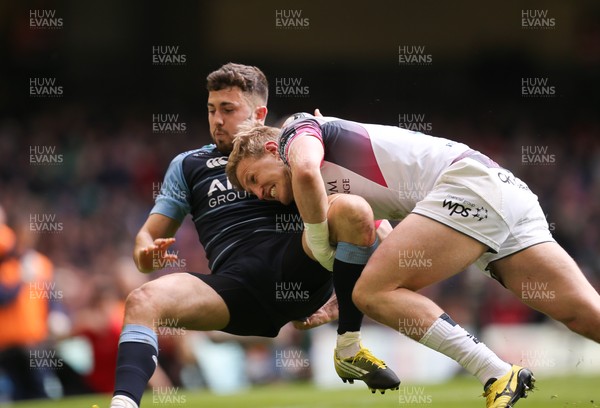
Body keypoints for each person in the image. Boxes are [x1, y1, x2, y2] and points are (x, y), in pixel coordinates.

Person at [226, 113, 600, 408]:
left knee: (374, 293)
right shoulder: (339, 176)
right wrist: (342, 293)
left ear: (274, 150)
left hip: (468, 187)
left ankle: (497, 372)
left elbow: (306, 172)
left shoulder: (295, 131)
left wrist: (324, 253)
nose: (260, 193)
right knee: (584, 315)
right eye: (252, 191)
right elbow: (386, 248)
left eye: (254, 178)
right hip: (500, 192)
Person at [109, 65, 399, 408]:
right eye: (211, 109)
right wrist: (145, 254)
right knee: (142, 301)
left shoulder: (292, 143)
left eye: (228, 110)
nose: (217, 119)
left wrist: (345, 292)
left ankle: (349, 343)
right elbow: (146, 238)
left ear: (259, 113)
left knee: (351, 208)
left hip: (299, 270)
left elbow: (368, 219)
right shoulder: (188, 165)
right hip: (235, 290)